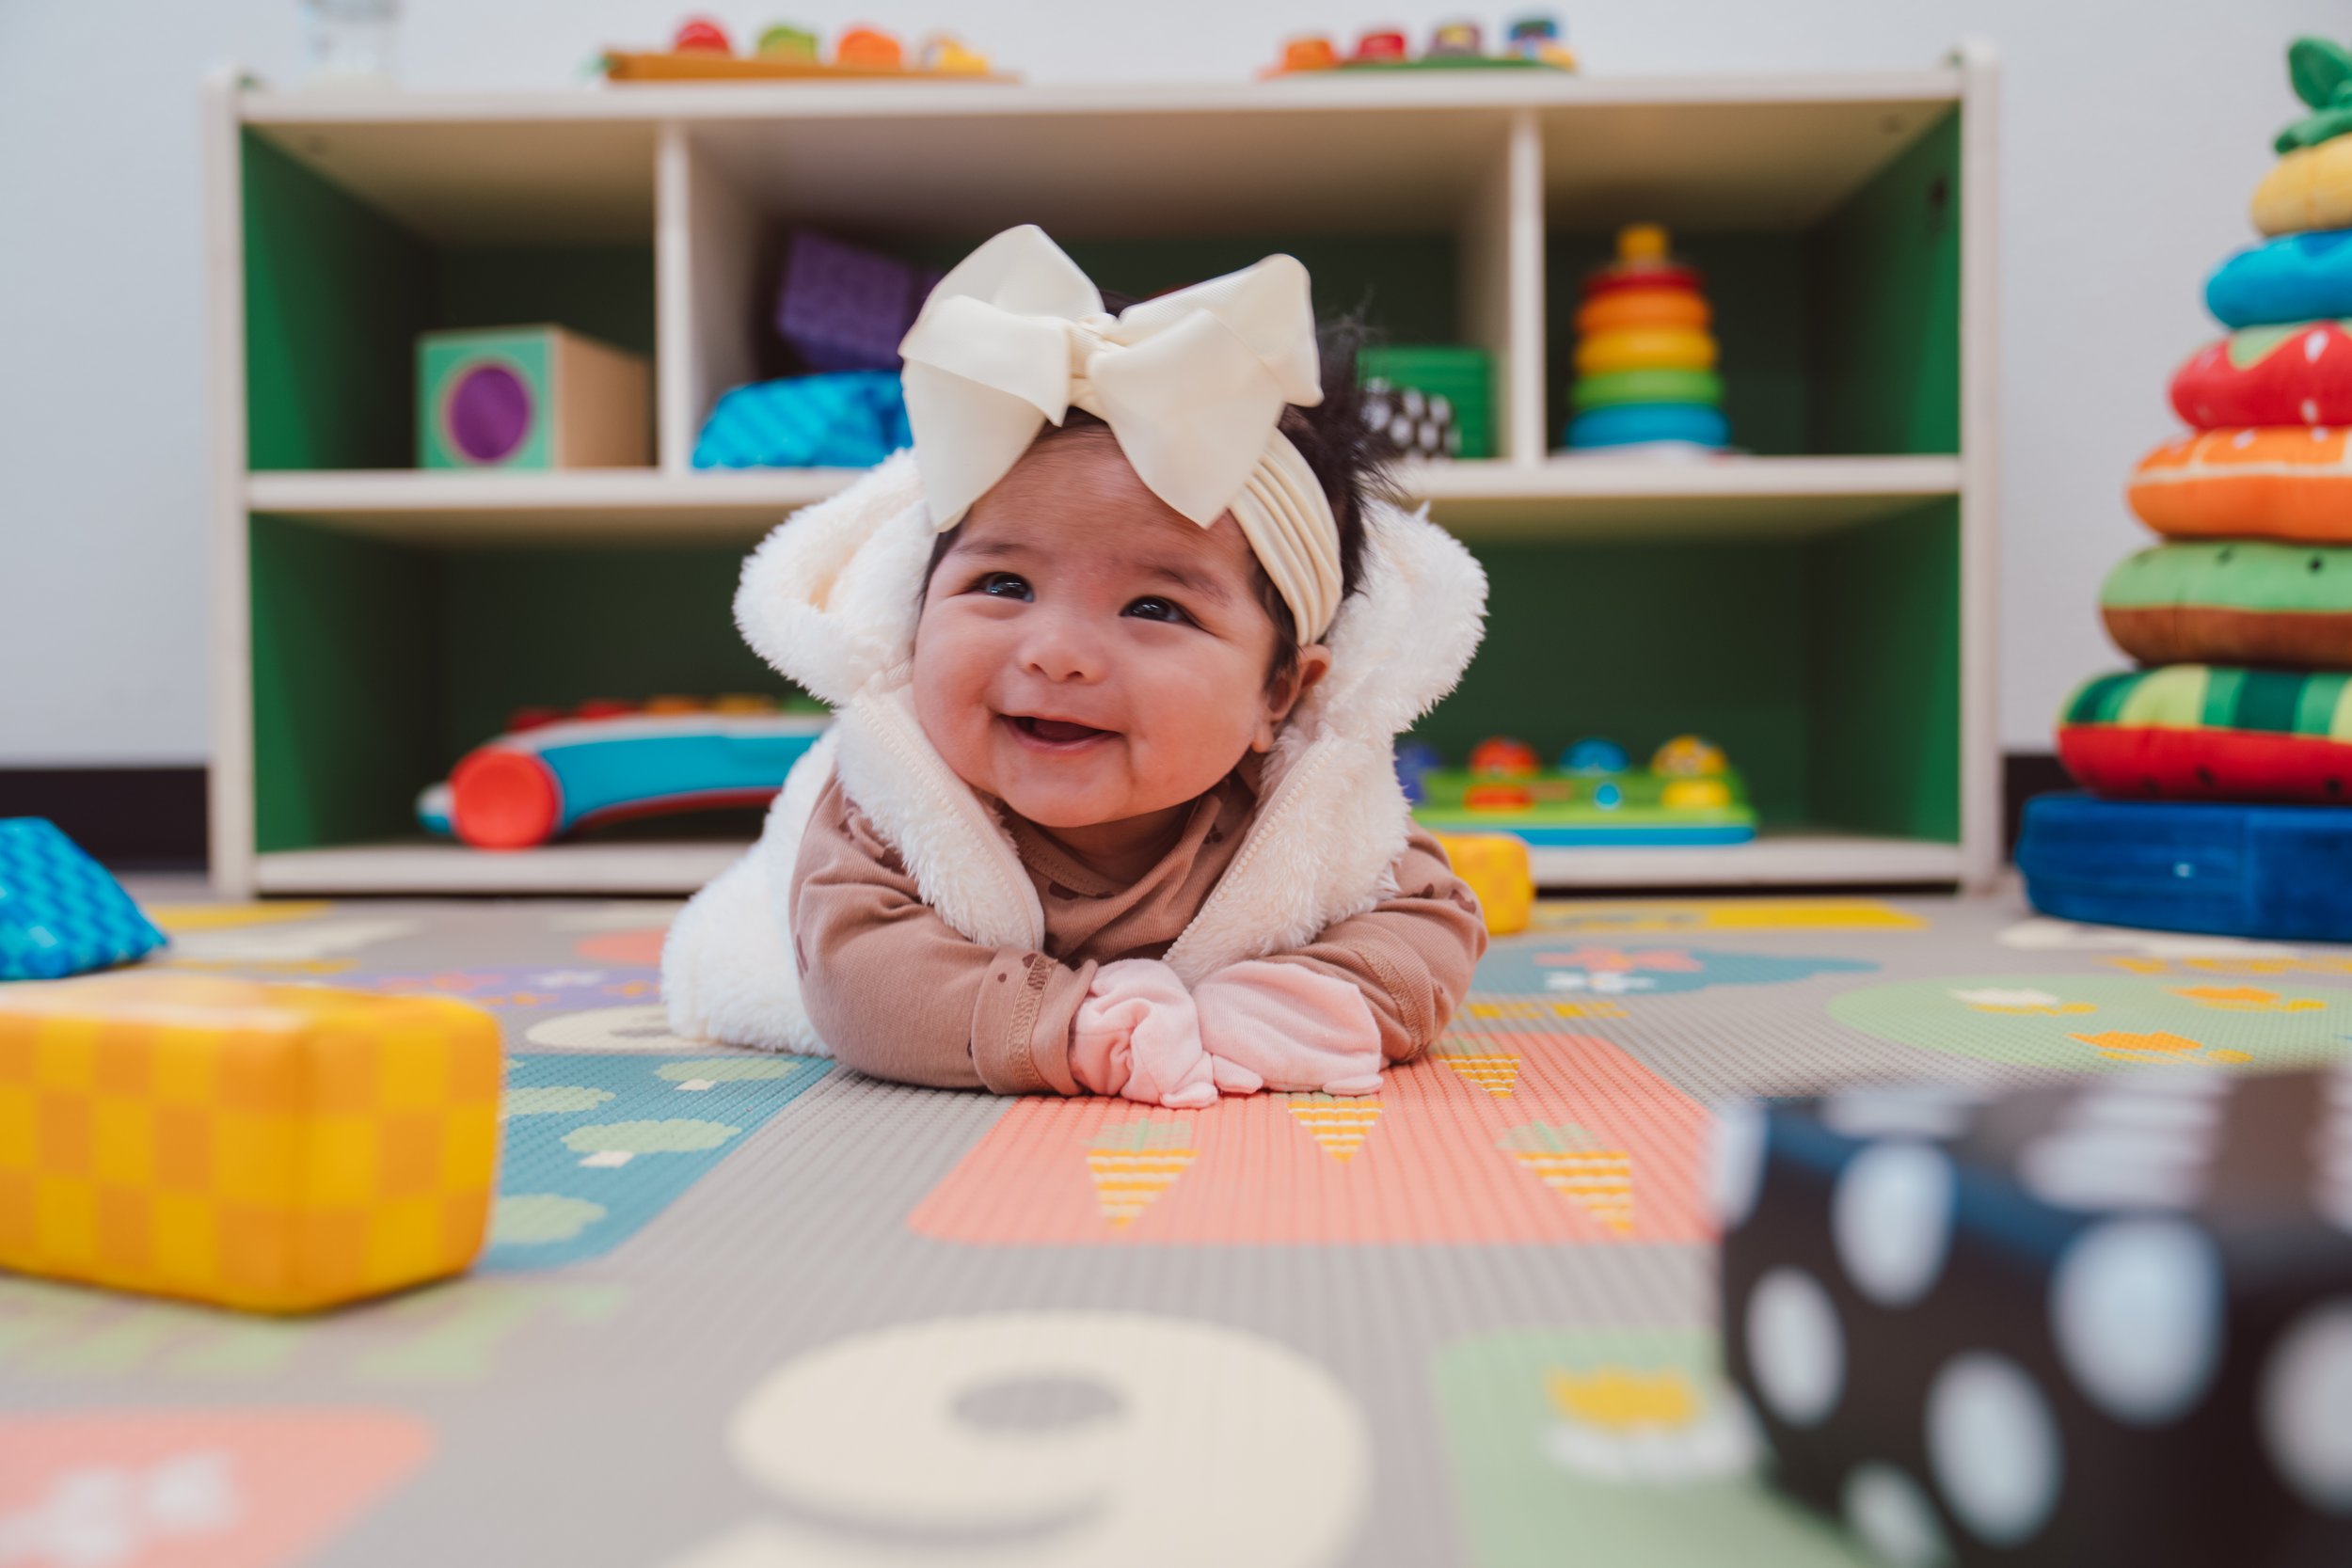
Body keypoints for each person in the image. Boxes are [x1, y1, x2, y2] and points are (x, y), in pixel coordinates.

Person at [664, 225, 1490, 1107]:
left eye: (1154, 608)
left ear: (1278, 693)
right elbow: (859, 976)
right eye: (1003, 583)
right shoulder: (893, 798)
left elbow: (1433, 922)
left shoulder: (1308, 812)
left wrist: (1317, 999)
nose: (1054, 652)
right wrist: (1065, 1029)